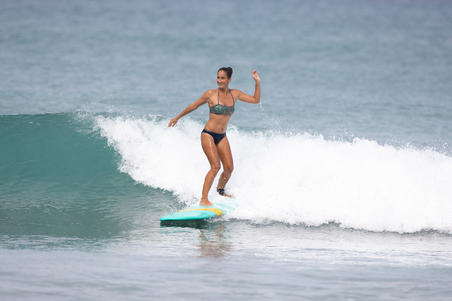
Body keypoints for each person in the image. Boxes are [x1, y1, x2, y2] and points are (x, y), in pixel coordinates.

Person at [168, 67, 261, 206]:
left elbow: (255, 100)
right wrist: (178, 117)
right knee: (215, 166)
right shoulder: (210, 94)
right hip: (208, 134)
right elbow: (194, 106)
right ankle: (204, 199)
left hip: (222, 136)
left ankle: (220, 191)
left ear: (229, 79)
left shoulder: (235, 94)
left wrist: (257, 82)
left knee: (229, 168)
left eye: (223, 78)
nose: (219, 80)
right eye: (218, 77)